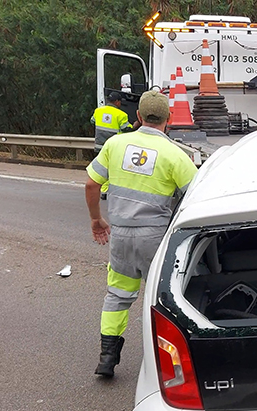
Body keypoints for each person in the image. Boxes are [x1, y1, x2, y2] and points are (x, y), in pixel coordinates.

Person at [85, 89, 198, 377]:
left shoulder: (115, 144)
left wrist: (97, 219)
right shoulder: (175, 154)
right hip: (155, 238)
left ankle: (107, 357)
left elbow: (91, 184)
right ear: (168, 119)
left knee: (118, 295)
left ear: (138, 116)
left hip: (121, 236)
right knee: (162, 297)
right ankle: (164, 361)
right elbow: (195, 196)